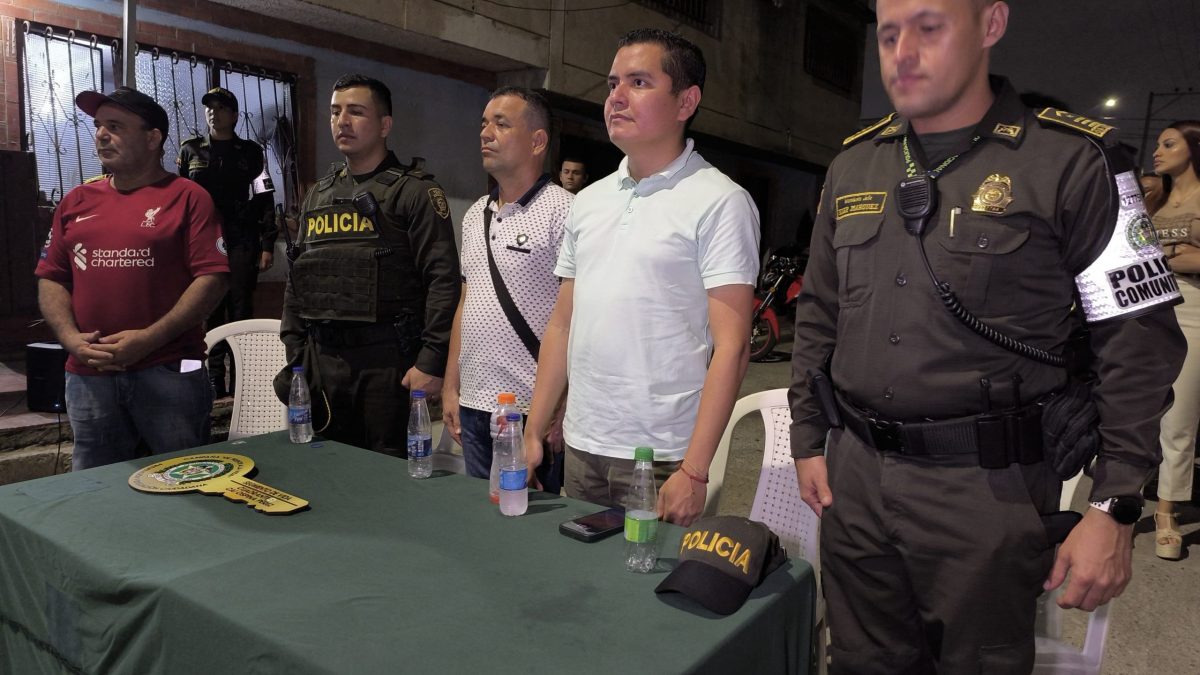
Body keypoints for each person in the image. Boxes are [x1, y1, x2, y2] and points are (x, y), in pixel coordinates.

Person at [788, 1, 1185, 673]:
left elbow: (1137, 340)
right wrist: (807, 437)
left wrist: (1113, 503)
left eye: (929, 27)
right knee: (858, 662)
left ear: (991, 25)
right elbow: (820, 311)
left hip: (988, 490)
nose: (903, 52)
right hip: (856, 478)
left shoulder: (1073, 160)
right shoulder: (854, 164)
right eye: (889, 34)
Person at [522, 29, 761, 525]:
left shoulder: (720, 201)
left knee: (649, 575)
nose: (616, 97)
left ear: (686, 101)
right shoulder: (589, 201)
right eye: (613, 84)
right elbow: (562, 325)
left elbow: (733, 347)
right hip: (583, 447)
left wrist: (695, 470)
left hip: (664, 457)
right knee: (580, 570)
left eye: (639, 82)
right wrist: (533, 429)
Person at [35, 87, 229, 470]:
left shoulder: (188, 197)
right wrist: (71, 339)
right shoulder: (76, 201)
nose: (101, 135)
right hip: (90, 373)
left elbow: (213, 278)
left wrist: (148, 339)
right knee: (95, 486)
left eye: (115, 126)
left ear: (152, 138)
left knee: (183, 478)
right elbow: (51, 278)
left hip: (169, 370)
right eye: (98, 125)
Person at [277, 74, 460, 455]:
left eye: (356, 112)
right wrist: (296, 351)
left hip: (388, 364)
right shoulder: (318, 195)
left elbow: (442, 282)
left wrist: (431, 361)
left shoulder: (415, 192)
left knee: (388, 475)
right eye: (335, 112)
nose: (342, 121)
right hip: (324, 361)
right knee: (326, 468)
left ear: (385, 125)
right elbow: (300, 277)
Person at [442, 87, 573, 490]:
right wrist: (450, 386)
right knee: (479, 515)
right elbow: (466, 303)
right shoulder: (474, 215)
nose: (486, 133)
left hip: (531, 410)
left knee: (532, 518)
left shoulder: (564, 211)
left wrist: (562, 404)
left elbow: (576, 319)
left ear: (537, 141)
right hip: (473, 403)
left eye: (501, 124)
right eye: (484, 123)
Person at [178, 87, 278, 398]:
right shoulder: (191, 150)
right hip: (203, 240)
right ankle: (214, 379)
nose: (214, 112)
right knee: (209, 308)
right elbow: (180, 199)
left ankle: (242, 378)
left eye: (221, 108)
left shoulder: (250, 152)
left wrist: (267, 243)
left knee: (240, 308)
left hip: (240, 239)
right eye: (209, 107)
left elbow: (264, 197)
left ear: (234, 115)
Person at [1152, 120, 1200, 560]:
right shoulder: (1155, 200)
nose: (1158, 151)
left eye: (1169, 144)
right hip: (1148, 306)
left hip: (1193, 308)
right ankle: (1118, 497)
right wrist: (1177, 254)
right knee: (1134, 407)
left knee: (1179, 418)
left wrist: (1177, 259)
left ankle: (1166, 514)